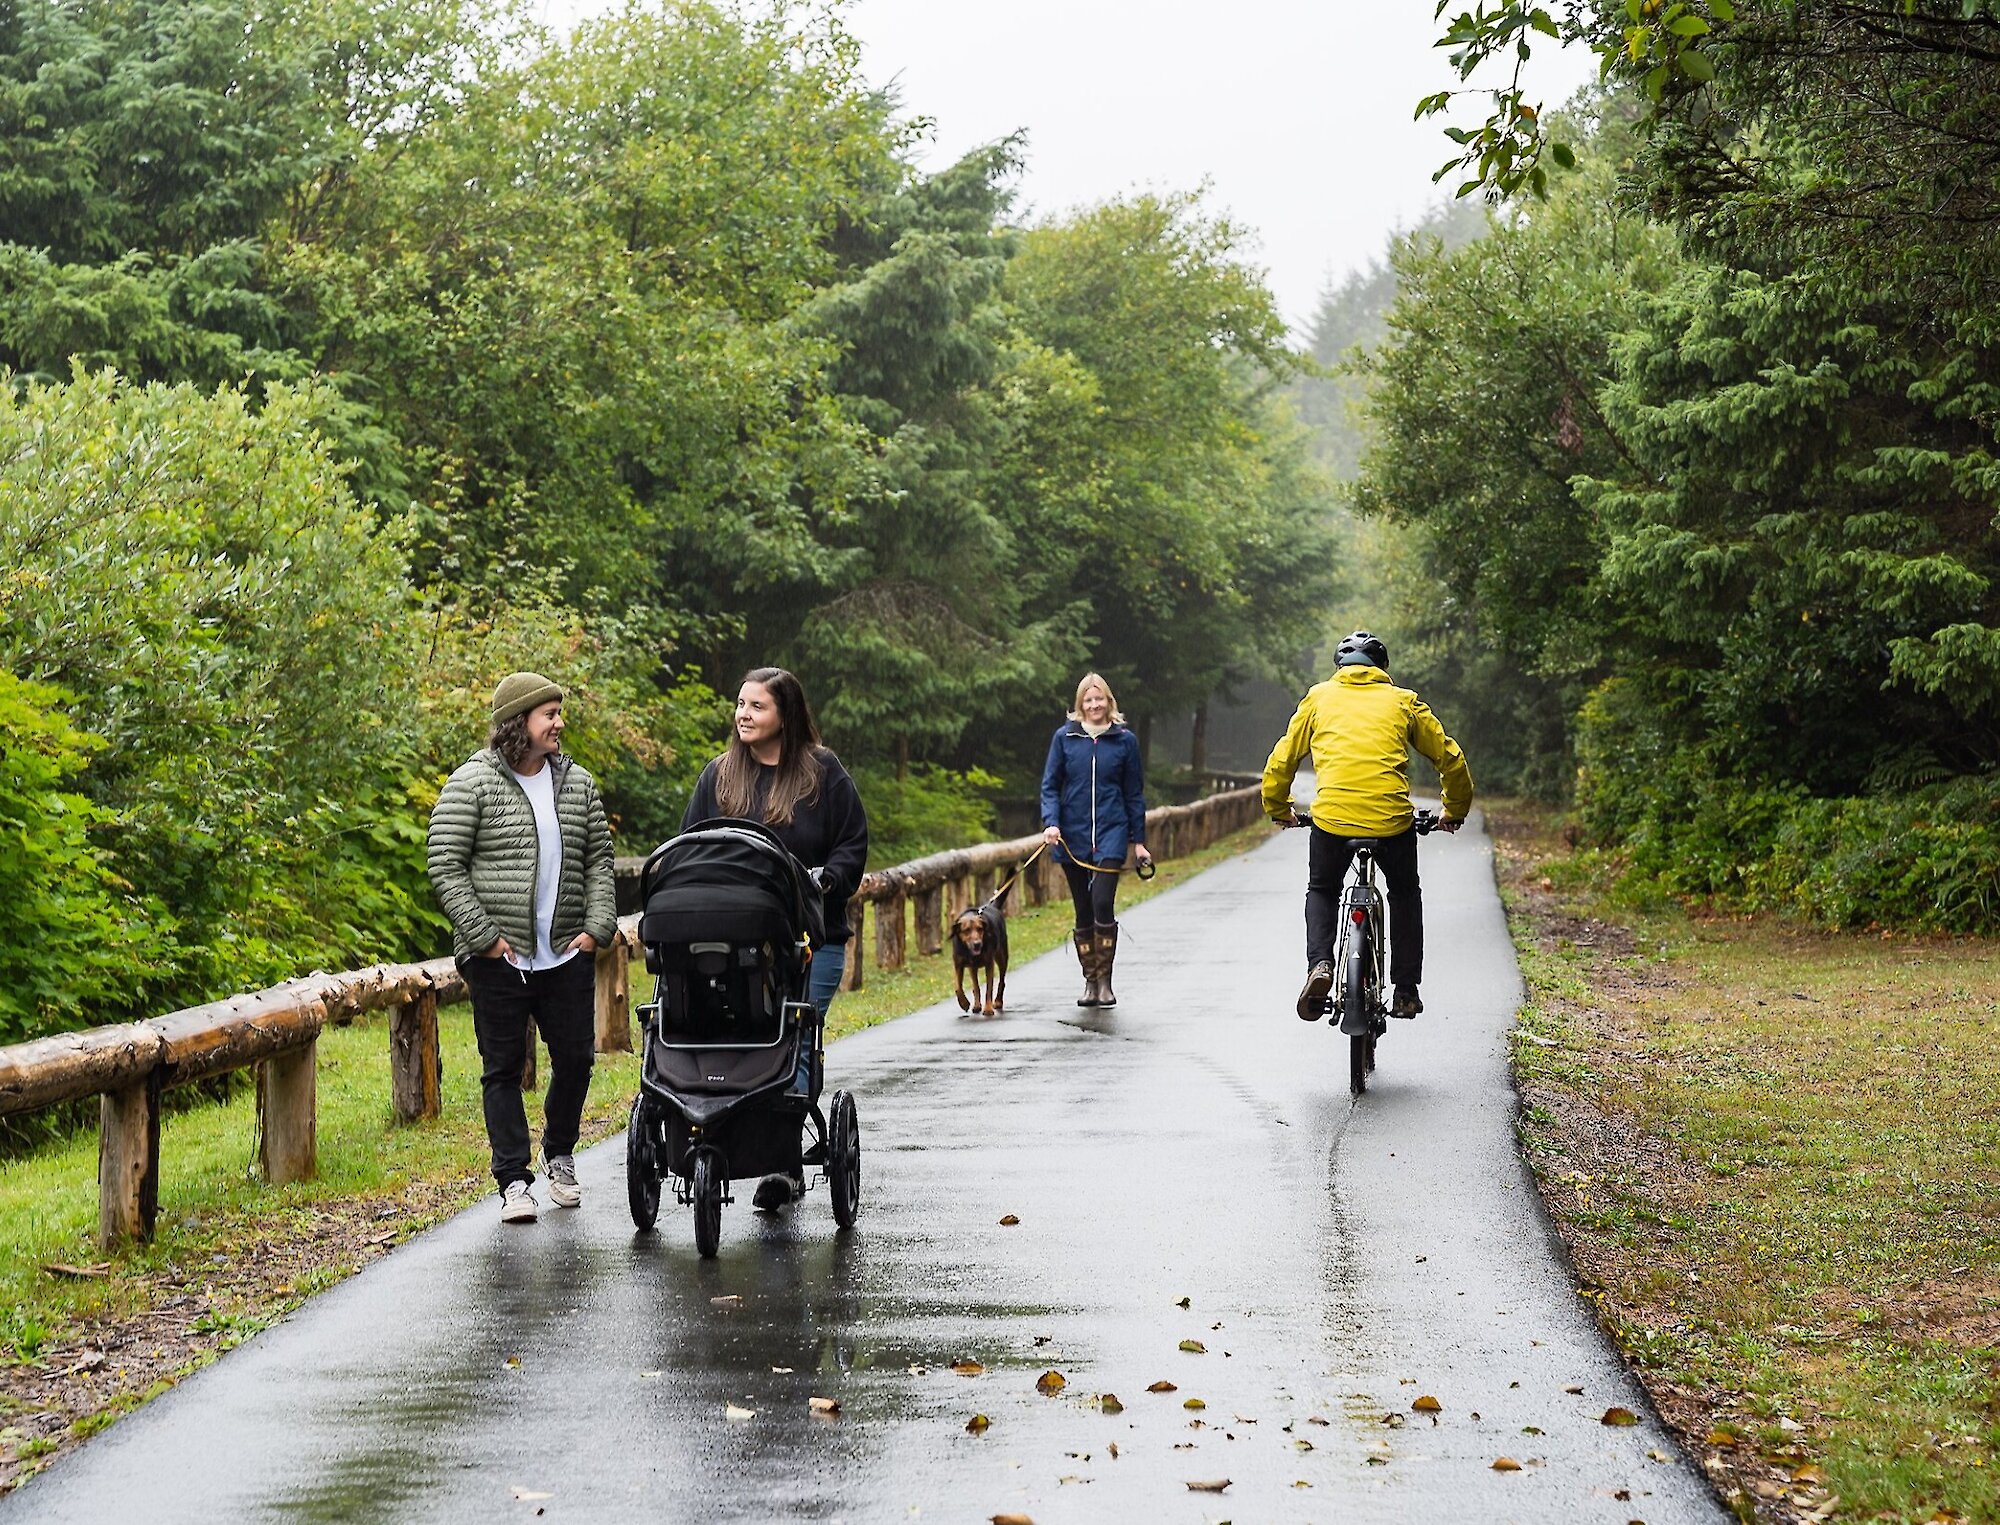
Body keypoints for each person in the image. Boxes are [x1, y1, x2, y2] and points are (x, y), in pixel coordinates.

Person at [428, 672, 617, 1224]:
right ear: (518, 725)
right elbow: (445, 864)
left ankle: (559, 1153)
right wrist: (484, 938)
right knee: (502, 1069)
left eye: (559, 713)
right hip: (499, 959)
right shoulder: (473, 783)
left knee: (577, 1059)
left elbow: (600, 862)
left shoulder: (577, 784)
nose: (560, 724)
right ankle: (513, 1180)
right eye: (549, 715)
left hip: (565, 953)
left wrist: (597, 929)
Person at [682, 667, 868, 1211]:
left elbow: (851, 844)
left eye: (756, 707)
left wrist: (827, 880)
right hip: (731, 941)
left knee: (793, 1033)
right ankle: (711, 1133)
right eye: (739, 704)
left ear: (784, 714)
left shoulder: (822, 773)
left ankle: (782, 1164)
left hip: (811, 937)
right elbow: (689, 844)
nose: (743, 714)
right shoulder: (718, 777)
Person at [1261, 630, 1473, 1023]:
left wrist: (1279, 807)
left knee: (1323, 888)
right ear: (1382, 669)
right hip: (1392, 822)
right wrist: (1453, 810)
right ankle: (1406, 989)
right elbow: (1450, 758)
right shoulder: (1403, 702)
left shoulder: (1318, 698)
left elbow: (1282, 760)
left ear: (1339, 668)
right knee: (1405, 892)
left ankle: (1320, 966)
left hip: (1333, 820)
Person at [1040, 672, 1152, 1008]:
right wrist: (1051, 823)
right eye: (1088, 700)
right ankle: (1089, 982)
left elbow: (1134, 793)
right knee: (1082, 908)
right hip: (1071, 835)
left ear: (1109, 702)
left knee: (1102, 901)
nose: (1094, 705)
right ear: (1080, 704)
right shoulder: (1064, 738)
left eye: (1099, 699)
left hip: (1112, 831)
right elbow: (1050, 785)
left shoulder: (1125, 741)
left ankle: (1106, 981)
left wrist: (1139, 841)